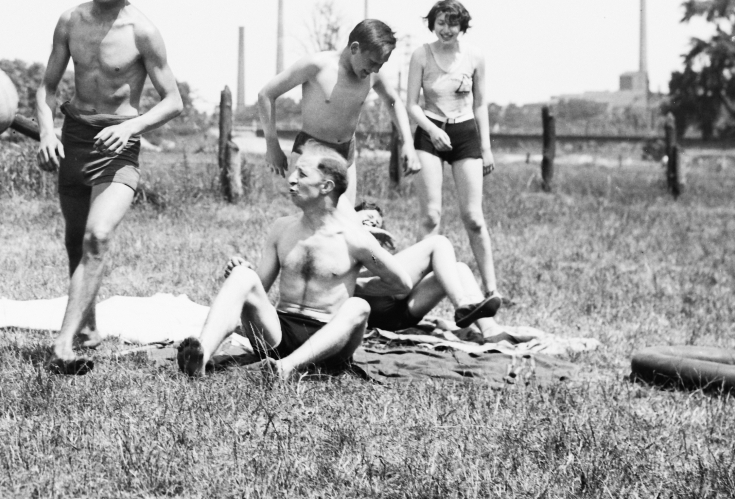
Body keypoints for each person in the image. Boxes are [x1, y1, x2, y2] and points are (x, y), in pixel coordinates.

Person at [35, 0, 184, 373]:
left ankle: (63, 345)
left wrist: (131, 126)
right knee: (75, 239)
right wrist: (47, 130)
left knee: (98, 236)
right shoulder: (70, 20)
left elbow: (173, 101)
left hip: (119, 147)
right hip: (75, 140)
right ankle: (89, 327)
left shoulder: (143, 31)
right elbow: (46, 87)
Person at [177, 154, 417, 382]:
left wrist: (355, 287)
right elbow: (260, 287)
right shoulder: (282, 229)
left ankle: (286, 367)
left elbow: (401, 284)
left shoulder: (357, 240)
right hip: (278, 333)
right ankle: (201, 356)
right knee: (242, 276)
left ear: (325, 186)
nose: (291, 179)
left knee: (358, 306)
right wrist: (243, 275)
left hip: (330, 343)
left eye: (302, 174)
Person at [256, 19, 414, 210]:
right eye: (372, 62)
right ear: (355, 48)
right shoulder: (316, 65)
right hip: (311, 151)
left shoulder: (373, 76)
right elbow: (266, 94)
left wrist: (408, 143)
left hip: (345, 155)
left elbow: (394, 101)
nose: (375, 69)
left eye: (380, 65)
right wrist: (272, 145)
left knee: (344, 220)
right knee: (311, 218)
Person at [403, 0, 500, 304]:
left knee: (473, 217)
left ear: (462, 26)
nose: (446, 30)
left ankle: (491, 289)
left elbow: (480, 104)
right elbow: (411, 105)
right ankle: (416, 293)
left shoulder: (475, 57)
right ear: (432, 24)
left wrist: (485, 148)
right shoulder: (421, 55)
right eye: (440, 23)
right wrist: (433, 131)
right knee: (431, 216)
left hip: (465, 133)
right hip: (431, 131)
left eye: (452, 23)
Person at [349, 202, 501, 337]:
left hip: (399, 316)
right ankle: (461, 303)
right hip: (374, 303)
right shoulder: (337, 238)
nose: (374, 222)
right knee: (439, 243)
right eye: (369, 216)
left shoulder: (375, 251)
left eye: (377, 223)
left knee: (460, 269)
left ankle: (490, 330)